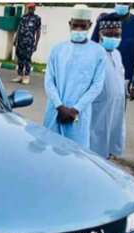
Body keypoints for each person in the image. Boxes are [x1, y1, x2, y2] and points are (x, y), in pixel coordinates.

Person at [43, 5, 107, 149]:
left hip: (78, 115)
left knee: (76, 154)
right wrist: (59, 106)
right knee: (49, 151)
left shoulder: (98, 52)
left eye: (82, 26)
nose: (78, 30)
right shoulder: (58, 49)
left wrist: (75, 109)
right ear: (69, 24)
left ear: (90, 25)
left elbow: (97, 85)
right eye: (75, 25)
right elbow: (49, 81)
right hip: (55, 111)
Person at [91, 3, 134, 102]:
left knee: (118, 112)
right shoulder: (104, 20)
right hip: (100, 78)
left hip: (124, 80)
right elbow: (92, 48)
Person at [89, 14, 127, 159]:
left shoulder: (117, 54)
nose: (113, 38)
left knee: (110, 140)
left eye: (117, 35)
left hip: (116, 108)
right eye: (109, 34)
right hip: (97, 108)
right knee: (95, 145)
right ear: (100, 33)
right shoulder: (93, 53)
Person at [12, 3, 42, 85]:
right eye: (29, 8)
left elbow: (38, 32)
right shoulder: (23, 17)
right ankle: (19, 75)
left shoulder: (37, 18)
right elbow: (19, 28)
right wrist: (15, 39)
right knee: (20, 58)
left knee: (27, 59)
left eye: (32, 8)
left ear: (34, 9)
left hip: (29, 43)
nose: (31, 9)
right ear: (27, 8)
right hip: (20, 41)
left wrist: (36, 44)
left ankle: (26, 76)